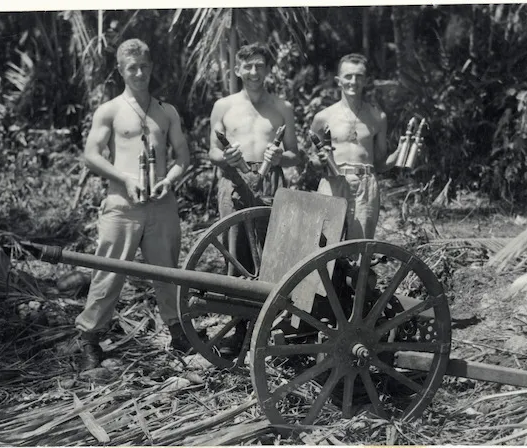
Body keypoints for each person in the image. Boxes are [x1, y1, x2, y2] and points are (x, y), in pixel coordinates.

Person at [77, 38, 191, 370]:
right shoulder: (110, 110)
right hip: (122, 205)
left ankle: (178, 331)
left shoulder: (166, 111)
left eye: (144, 66)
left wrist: (168, 180)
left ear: (152, 67)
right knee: (109, 272)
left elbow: (182, 157)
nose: (139, 73)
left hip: (161, 205)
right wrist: (125, 178)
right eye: (132, 68)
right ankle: (90, 339)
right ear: (120, 70)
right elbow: (91, 155)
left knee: (167, 271)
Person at [208, 42, 300, 353]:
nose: (253, 72)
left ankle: (269, 329)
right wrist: (226, 156)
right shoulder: (224, 106)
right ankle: (239, 330)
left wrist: (279, 157)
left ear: (268, 69)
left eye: (259, 65)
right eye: (247, 66)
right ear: (237, 70)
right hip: (234, 181)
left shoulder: (282, 107)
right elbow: (212, 151)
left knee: (272, 254)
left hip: (270, 182)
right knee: (237, 256)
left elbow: (295, 156)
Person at [310, 53, 400, 240]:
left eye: (359, 76)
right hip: (332, 183)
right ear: (338, 80)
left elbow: (381, 164)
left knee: (360, 249)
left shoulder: (377, 117)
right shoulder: (323, 117)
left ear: (366, 80)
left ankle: (360, 270)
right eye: (348, 76)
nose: (353, 81)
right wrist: (319, 160)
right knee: (324, 246)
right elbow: (312, 161)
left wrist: (401, 152)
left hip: (365, 187)